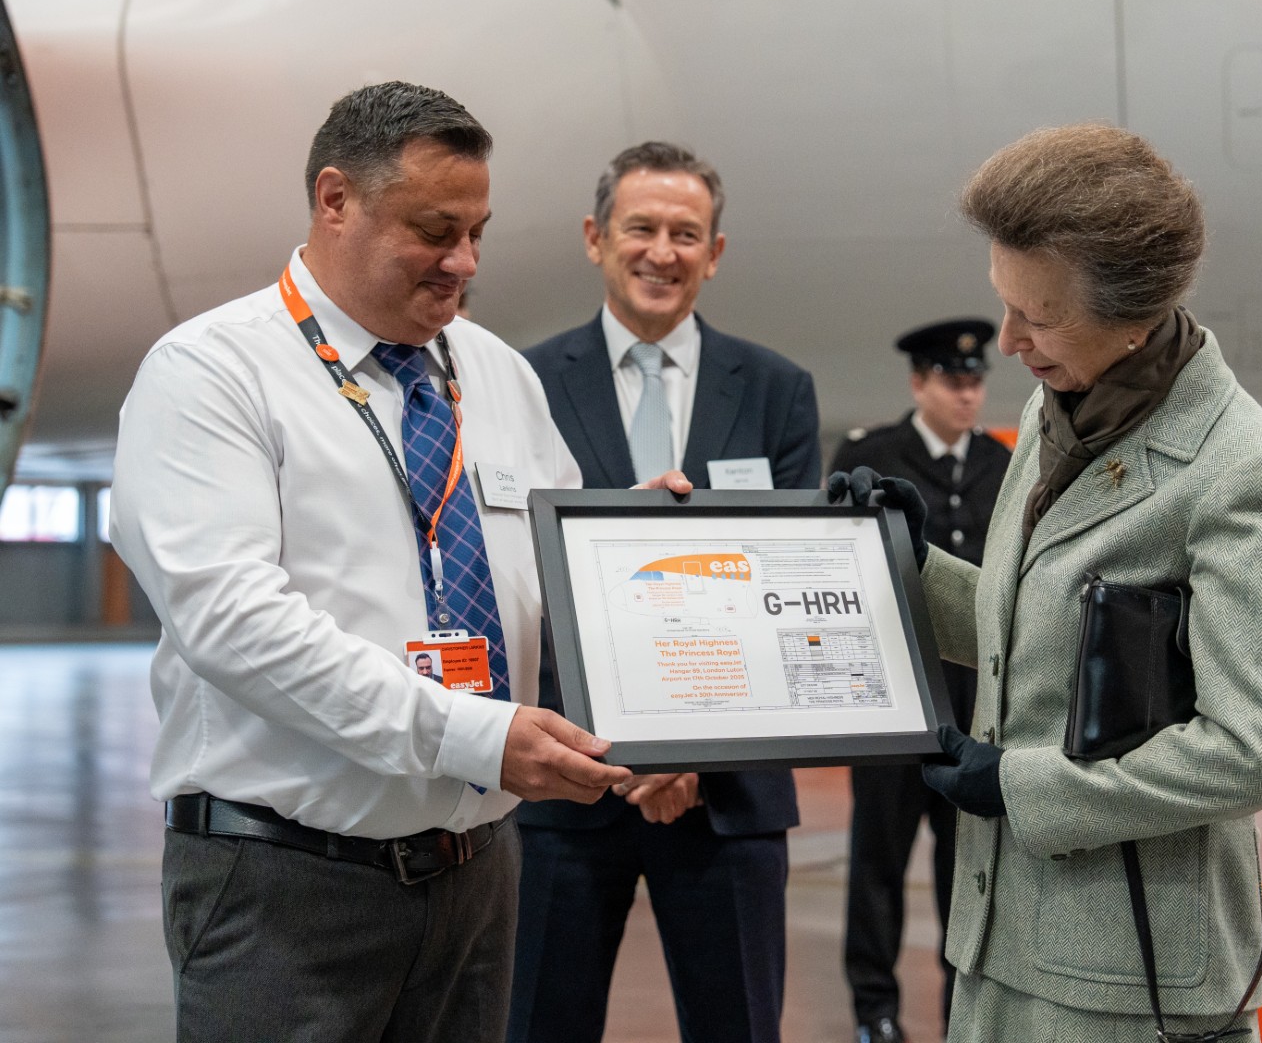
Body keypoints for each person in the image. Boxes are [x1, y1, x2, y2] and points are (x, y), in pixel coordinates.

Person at [108, 81, 688, 1043]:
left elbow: (546, 573)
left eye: (478, 232)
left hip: (478, 876)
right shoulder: (211, 373)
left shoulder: (496, 373)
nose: (465, 262)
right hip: (287, 887)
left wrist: (631, 556)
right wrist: (472, 736)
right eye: (434, 230)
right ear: (336, 200)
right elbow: (235, 622)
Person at [830, 124, 1262, 1040]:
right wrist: (906, 561)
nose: (1009, 340)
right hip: (1001, 941)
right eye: (1004, 303)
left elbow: (1250, 750)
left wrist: (1024, 786)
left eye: (1039, 317)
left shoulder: (1236, 471)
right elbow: (1031, 634)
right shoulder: (1057, 406)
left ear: (1136, 318)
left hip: (1132, 976)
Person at [509, 141, 820, 1043]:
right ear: (595, 238)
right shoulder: (523, 384)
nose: (662, 251)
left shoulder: (776, 391)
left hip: (726, 797)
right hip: (563, 783)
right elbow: (518, 573)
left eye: (686, 234)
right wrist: (617, 747)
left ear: (713, 253)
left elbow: (783, 586)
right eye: (640, 228)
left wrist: (687, 753)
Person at [831, 318, 1011, 1043]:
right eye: (951, 381)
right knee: (878, 857)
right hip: (892, 691)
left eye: (975, 382)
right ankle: (874, 1011)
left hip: (971, 698)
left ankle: (957, 1009)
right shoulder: (871, 456)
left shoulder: (1001, 464)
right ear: (919, 383)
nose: (967, 395)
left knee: (963, 862)